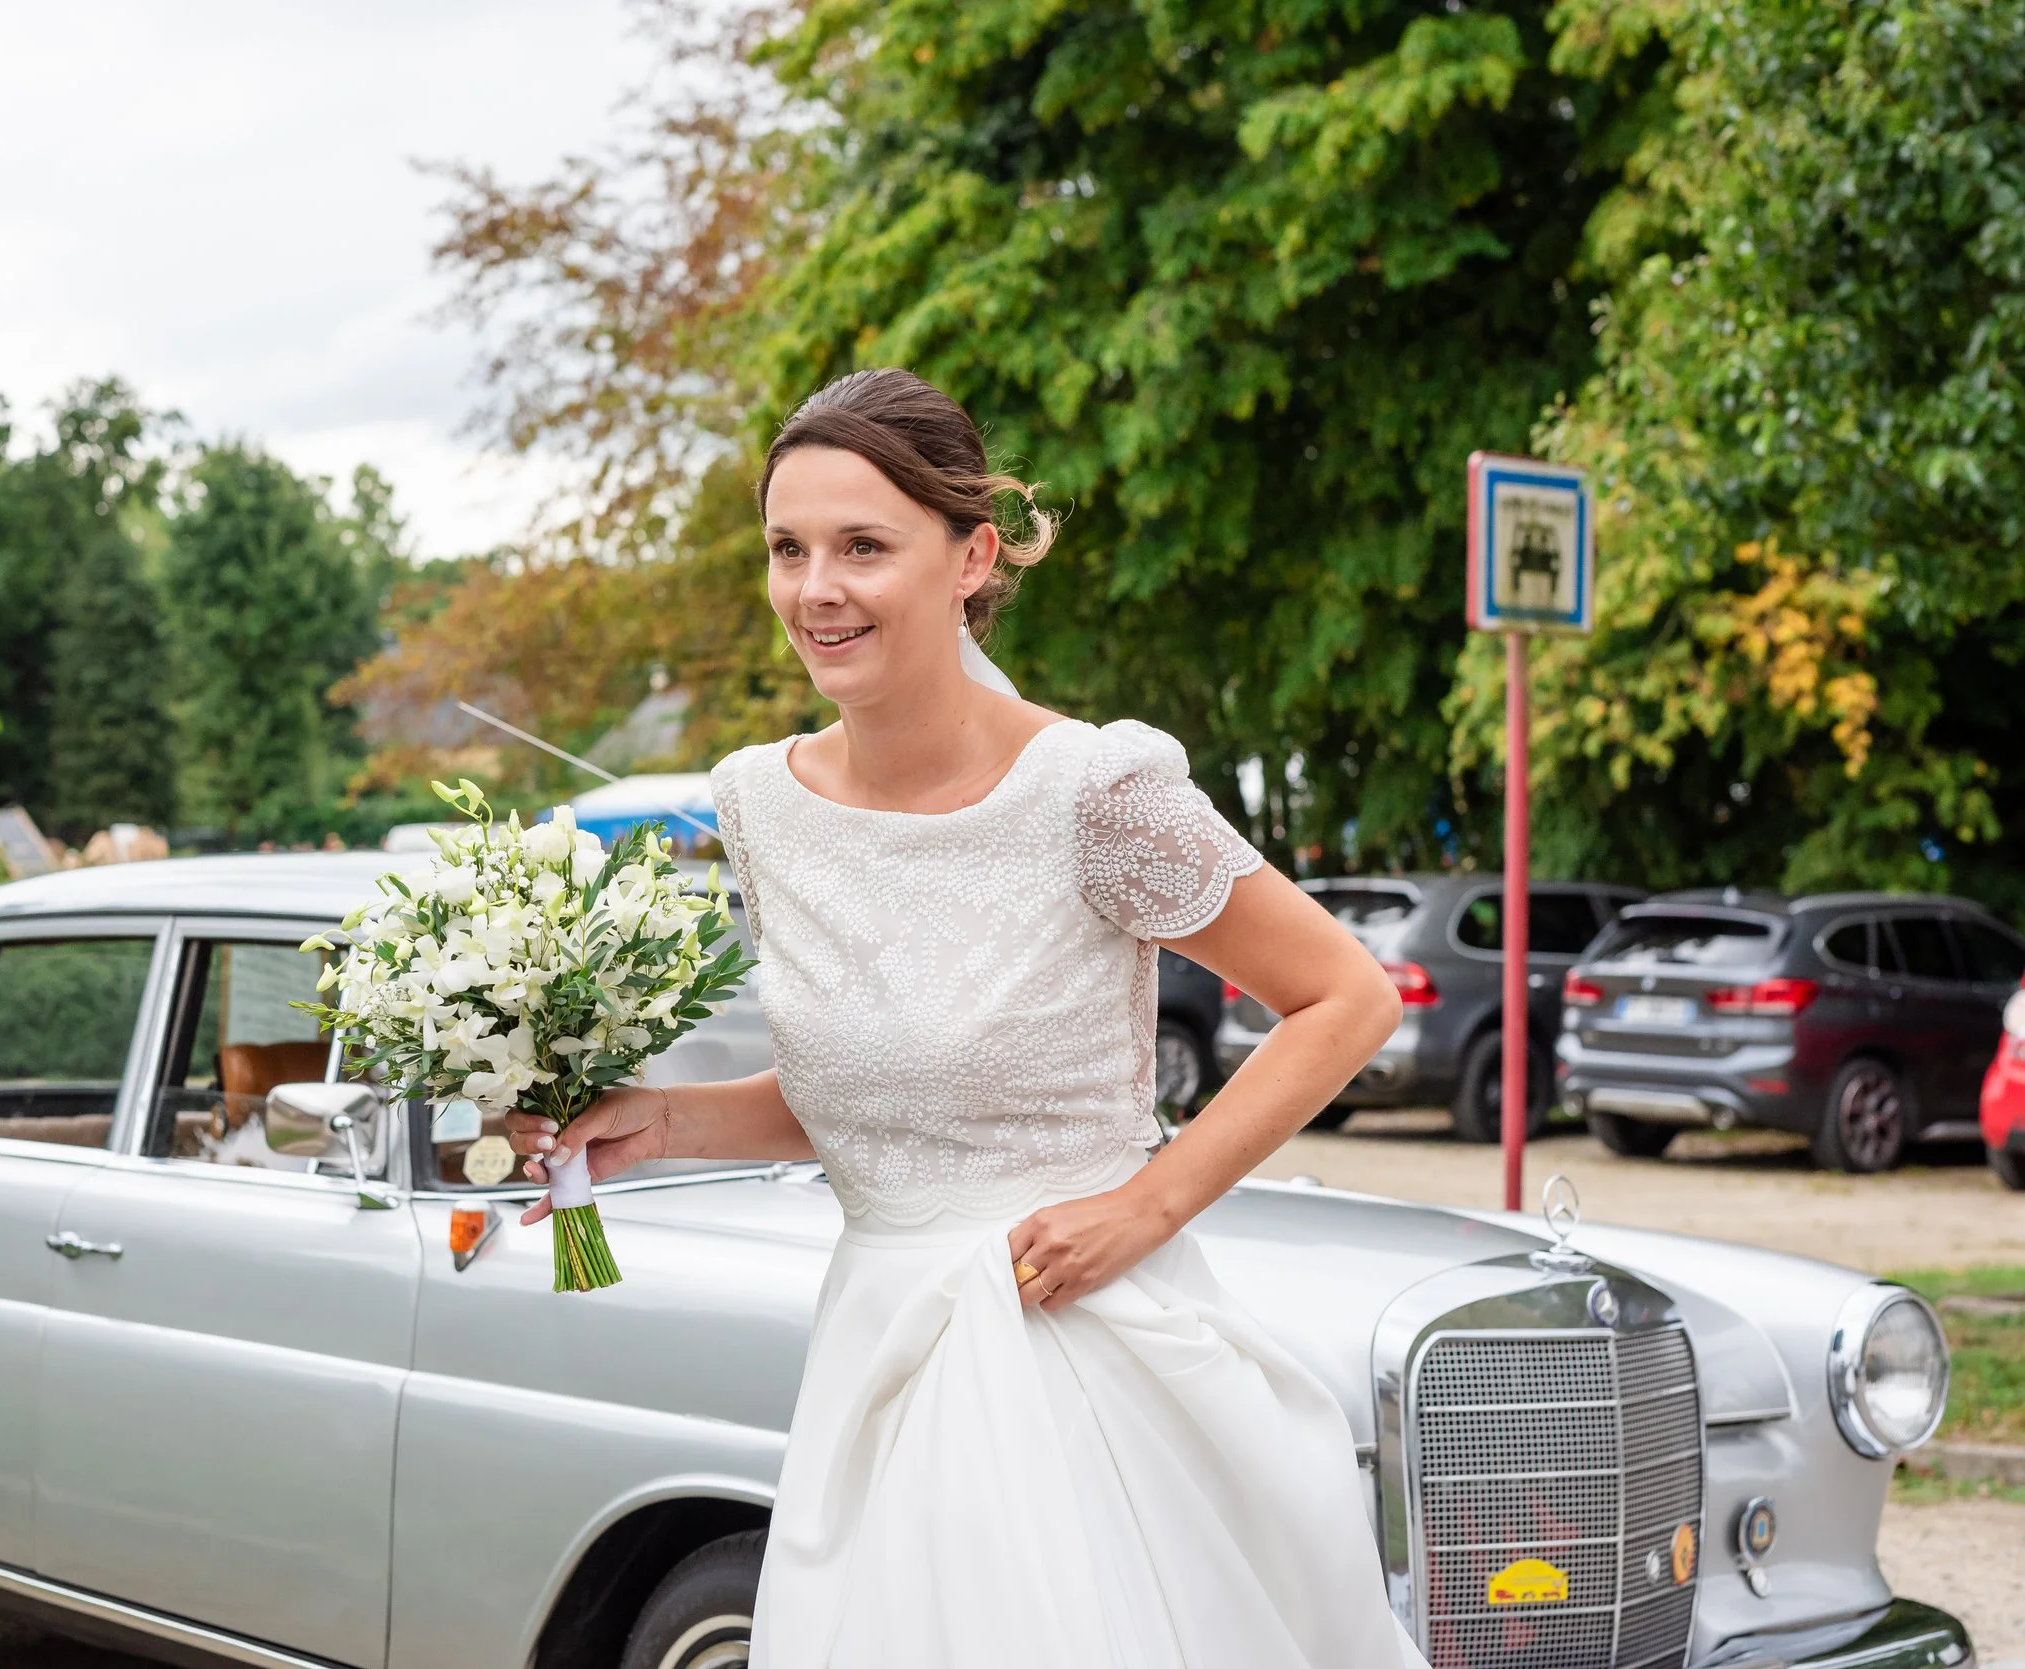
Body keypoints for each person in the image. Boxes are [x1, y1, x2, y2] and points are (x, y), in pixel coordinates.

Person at [505, 368, 1426, 1669]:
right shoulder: (754, 805)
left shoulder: (1094, 790)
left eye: (863, 546)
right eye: (789, 549)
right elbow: (862, 1100)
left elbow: (1347, 996)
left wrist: (1144, 1206)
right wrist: (654, 1120)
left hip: (1072, 1356)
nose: (817, 589)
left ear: (970, 556)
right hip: (873, 1362)